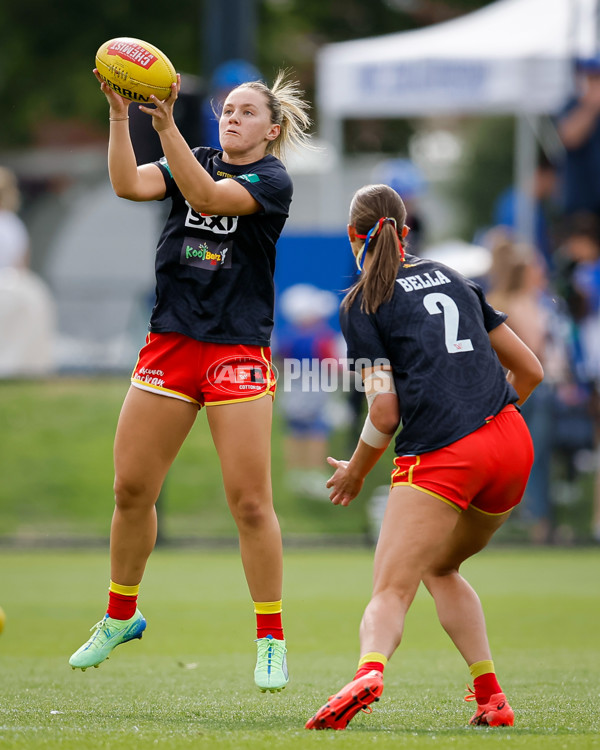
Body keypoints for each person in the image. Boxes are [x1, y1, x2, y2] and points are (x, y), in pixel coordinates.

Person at [68, 64, 313, 694]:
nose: (232, 117)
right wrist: (123, 115)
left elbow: (206, 196)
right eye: (227, 109)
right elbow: (127, 184)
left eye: (246, 111)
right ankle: (120, 614)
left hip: (234, 350)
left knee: (250, 502)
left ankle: (269, 639)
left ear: (272, 128)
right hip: (171, 344)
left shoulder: (272, 180)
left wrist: (167, 126)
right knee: (130, 490)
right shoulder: (193, 155)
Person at [305, 184, 543, 731]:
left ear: (352, 236)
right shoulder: (455, 278)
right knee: (440, 565)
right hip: (511, 443)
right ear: (406, 232)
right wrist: (490, 421)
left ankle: (369, 670)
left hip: (445, 454)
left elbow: (384, 413)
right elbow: (530, 371)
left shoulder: (362, 301)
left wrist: (356, 472)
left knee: (391, 587)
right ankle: (491, 697)